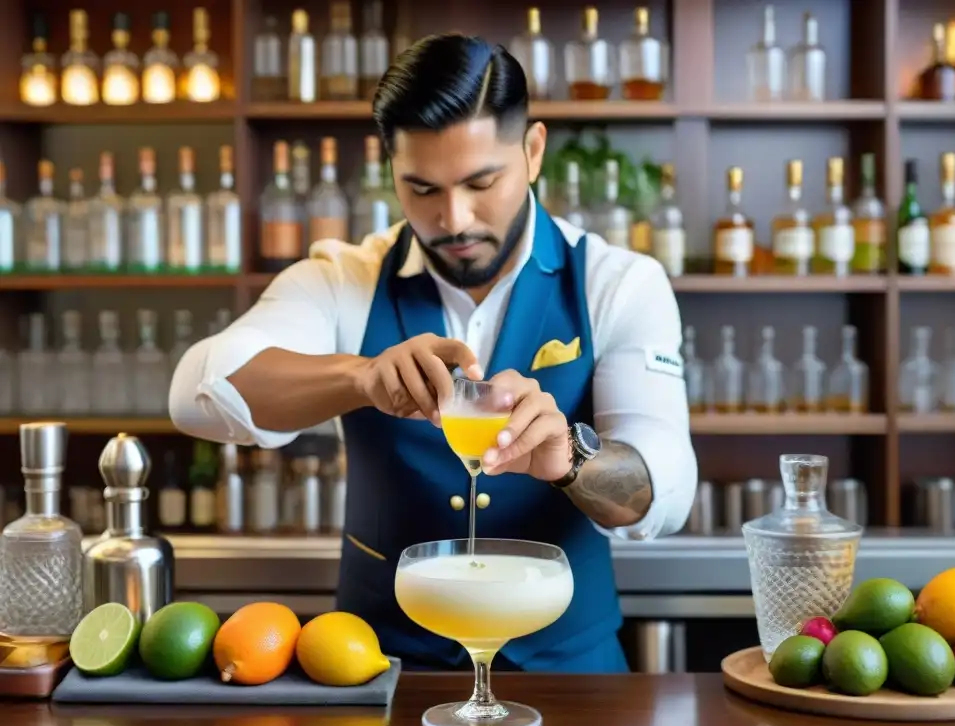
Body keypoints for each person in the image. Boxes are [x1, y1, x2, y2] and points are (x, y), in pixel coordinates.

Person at [169, 33, 698, 674]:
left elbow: (664, 491)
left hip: (572, 680)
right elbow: (199, 392)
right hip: (378, 672)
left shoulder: (615, 282)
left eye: (482, 182)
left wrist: (571, 459)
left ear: (532, 151)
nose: (454, 219)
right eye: (421, 189)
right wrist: (361, 376)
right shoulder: (347, 278)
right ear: (389, 169)